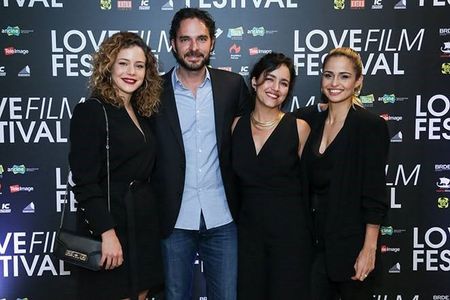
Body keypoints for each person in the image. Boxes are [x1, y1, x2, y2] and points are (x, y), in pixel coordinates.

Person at [150, 7, 249, 300]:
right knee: (175, 295)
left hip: (223, 217)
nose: (194, 48)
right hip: (174, 219)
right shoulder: (153, 90)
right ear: (173, 43)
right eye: (185, 39)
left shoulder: (232, 86)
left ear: (213, 42)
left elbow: (259, 128)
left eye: (201, 39)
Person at [69, 32, 164, 300]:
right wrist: (106, 233)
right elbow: (85, 181)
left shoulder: (143, 112)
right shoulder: (92, 110)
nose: (131, 72)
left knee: (142, 293)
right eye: (123, 63)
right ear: (108, 65)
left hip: (143, 221)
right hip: (112, 221)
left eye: (139, 65)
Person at [299, 47, 390, 299]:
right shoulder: (310, 122)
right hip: (314, 248)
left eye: (344, 76)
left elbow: (374, 192)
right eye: (329, 75)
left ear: (358, 81)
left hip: (351, 248)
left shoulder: (369, 126)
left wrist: (369, 249)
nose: (334, 83)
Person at [231, 52, 312, 299]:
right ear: (254, 82)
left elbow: (311, 186)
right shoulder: (235, 126)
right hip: (247, 237)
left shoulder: (299, 128)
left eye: (284, 83)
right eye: (269, 79)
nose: (276, 88)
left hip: (290, 238)